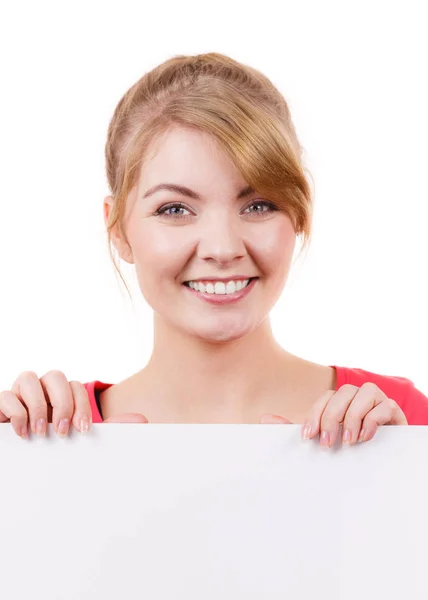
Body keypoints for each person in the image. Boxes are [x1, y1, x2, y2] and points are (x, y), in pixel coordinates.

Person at [1, 52, 427, 448]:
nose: (223, 249)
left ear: (298, 213)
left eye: (258, 205)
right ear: (118, 230)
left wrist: (398, 480)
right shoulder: (45, 442)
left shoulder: (399, 422)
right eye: (174, 209)